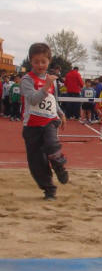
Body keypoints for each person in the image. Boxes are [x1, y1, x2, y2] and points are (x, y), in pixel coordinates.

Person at [20, 43, 68, 201]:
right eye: (36, 62)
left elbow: (53, 100)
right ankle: (49, 189)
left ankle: (58, 165)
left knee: (52, 145)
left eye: (43, 62)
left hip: (49, 122)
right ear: (30, 61)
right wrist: (45, 86)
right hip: (32, 126)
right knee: (37, 162)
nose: (40, 65)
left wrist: (61, 114)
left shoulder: (52, 80)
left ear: (49, 61)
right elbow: (33, 100)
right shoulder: (27, 80)